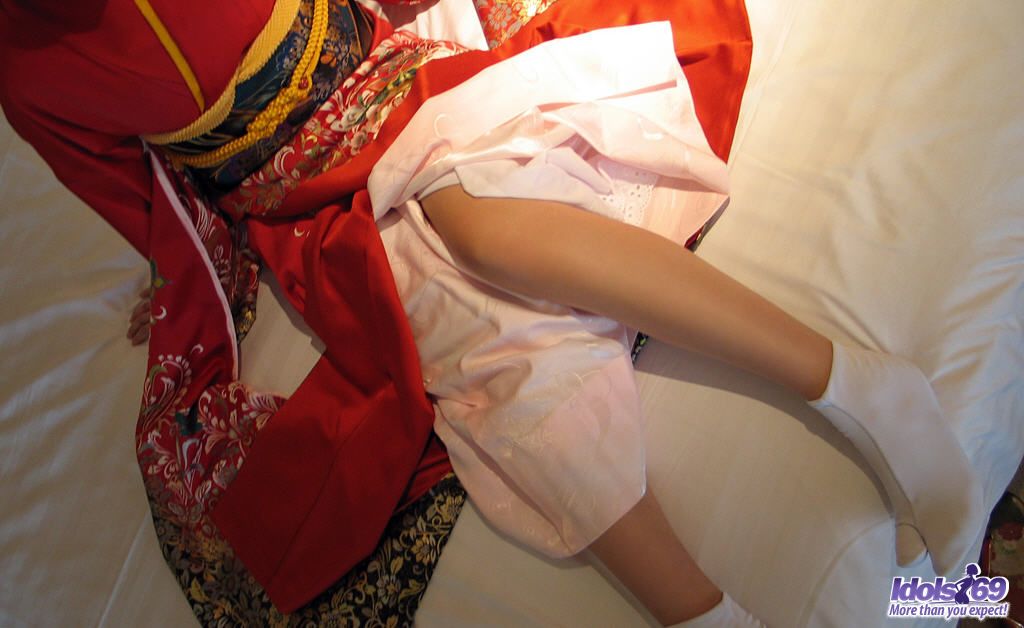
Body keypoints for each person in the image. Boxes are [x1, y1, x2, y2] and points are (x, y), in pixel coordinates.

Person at [0, 0, 982, 625]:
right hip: (304, 210)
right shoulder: (24, 68)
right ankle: (706, 613)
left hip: (397, 85)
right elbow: (141, 194)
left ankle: (856, 385)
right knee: (489, 358)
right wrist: (185, 276)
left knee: (473, 226)